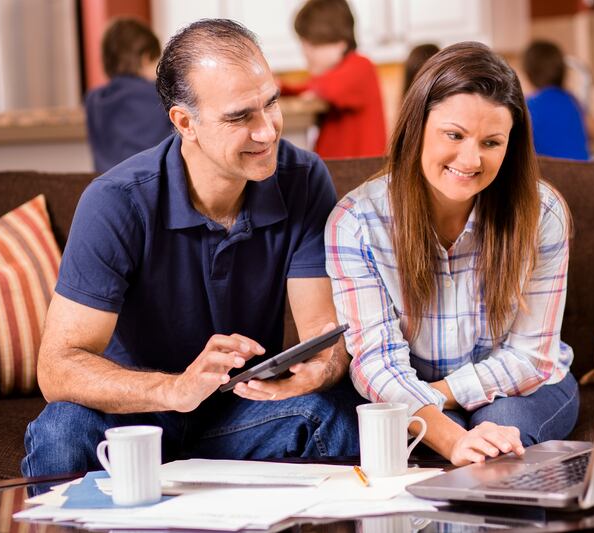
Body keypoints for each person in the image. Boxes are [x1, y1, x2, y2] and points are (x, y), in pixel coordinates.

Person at [22, 19, 361, 478]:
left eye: (272, 103)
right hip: (138, 417)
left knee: (334, 413)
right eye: (241, 116)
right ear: (185, 122)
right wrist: (174, 389)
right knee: (62, 429)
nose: (267, 132)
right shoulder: (116, 201)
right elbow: (58, 368)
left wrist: (319, 370)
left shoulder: (302, 178)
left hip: (240, 412)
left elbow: (322, 331)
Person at [326, 42, 579, 466]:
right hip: (411, 390)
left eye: (492, 142)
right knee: (463, 445)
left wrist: (438, 396)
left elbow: (532, 358)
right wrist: (448, 435)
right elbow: (376, 361)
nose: (471, 158)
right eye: (454, 134)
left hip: (523, 386)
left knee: (500, 437)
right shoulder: (356, 222)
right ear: (417, 125)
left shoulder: (542, 213)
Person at [281, 0, 386, 158]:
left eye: (313, 45)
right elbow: (309, 87)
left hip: (360, 175)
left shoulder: (362, 66)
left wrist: (310, 90)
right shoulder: (334, 75)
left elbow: (329, 88)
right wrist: (282, 88)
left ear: (340, 44)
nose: (305, 52)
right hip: (341, 174)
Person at [85, 18, 173, 173]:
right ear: (146, 58)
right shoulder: (159, 95)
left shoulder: (94, 100)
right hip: (151, 187)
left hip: (107, 187)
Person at [522, 40, 590, 160]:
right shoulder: (572, 100)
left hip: (553, 176)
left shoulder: (529, 107)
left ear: (529, 74)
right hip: (583, 173)